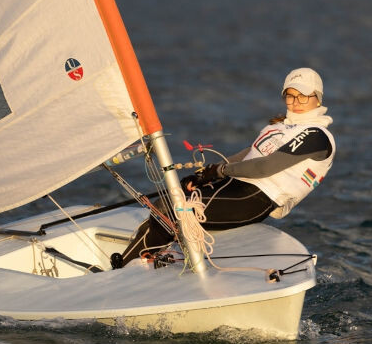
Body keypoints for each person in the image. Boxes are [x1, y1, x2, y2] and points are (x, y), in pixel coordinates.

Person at [112, 67, 336, 269]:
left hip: (257, 197)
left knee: (172, 210)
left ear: (317, 98)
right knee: (172, 199)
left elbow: (264, 168)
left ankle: (121, 271)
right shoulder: (282, 126)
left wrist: (219, 172)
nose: (296, 101)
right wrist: (205, 174)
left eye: (304, 96)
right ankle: (144, 261)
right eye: (291, 95)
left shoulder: (317, 135)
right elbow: (249, 154)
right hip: (236, 185)